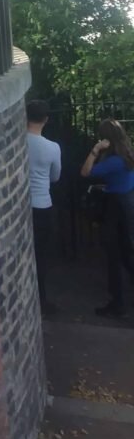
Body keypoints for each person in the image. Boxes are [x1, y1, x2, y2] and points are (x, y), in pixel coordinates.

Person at [81, 119, 134, 318]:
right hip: (128, 203)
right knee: (128, 251)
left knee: (114, 255)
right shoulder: (128, 154)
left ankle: (117, 303)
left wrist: (95, 150)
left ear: (107, 139)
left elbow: (85, 172)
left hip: (115, 207)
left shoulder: (113, 161)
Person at [26, 99, 62, 315]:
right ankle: (43, 300)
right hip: (43, 204)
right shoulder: (52, 147)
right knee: (41, 255)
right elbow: (55, 177)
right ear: (46, 119)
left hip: (24, 206)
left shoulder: (19, 142)